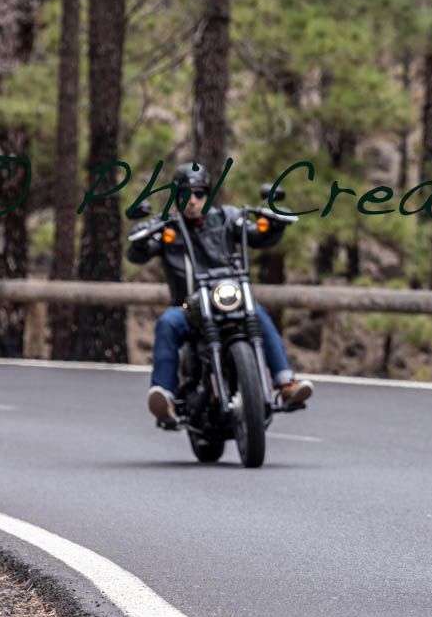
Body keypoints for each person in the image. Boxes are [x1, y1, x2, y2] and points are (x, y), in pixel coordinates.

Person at [127, 162, 313, 429]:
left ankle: (285, 383)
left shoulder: (226, 218)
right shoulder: (168, 228)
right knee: (168, 322)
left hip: (229, 301)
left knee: (258, 314)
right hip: (190, 308)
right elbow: (138, 253)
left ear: (208, 195)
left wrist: (273, 223)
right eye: (185, 194)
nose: (192, 200)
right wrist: (143, 238)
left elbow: (256, 236)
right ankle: (164, 397)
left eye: (199, 193)